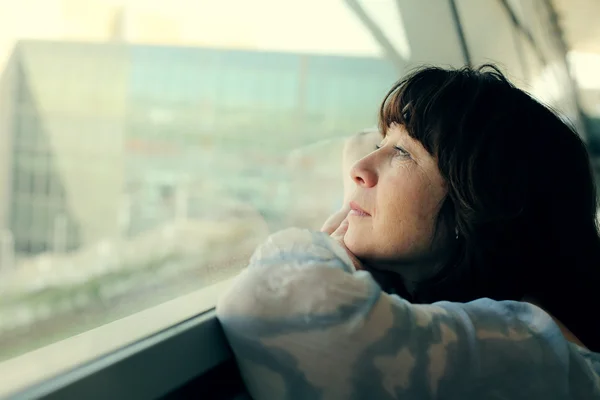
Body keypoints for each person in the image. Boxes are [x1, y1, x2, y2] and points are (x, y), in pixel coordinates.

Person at [216, 65, 600, 399]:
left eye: (403, 153)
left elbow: (266, 304)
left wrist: (337, 245)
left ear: (480, 205)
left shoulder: (531, 350)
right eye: (383, 142)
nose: (359, 169)